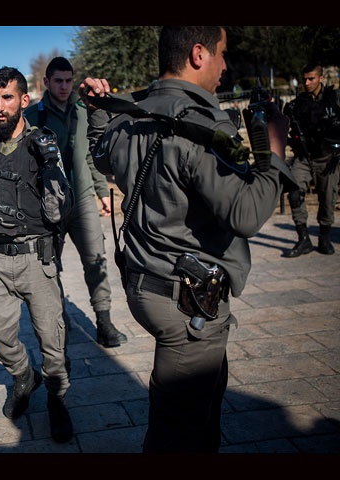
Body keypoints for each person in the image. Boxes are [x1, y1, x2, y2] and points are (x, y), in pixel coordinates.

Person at [79, 26, 296, 452]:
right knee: (176, 438)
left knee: (202, 408)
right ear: (199, 54)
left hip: (147, 287)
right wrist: (274, 151)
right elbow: (246, 214)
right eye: (222, 53)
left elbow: (101, 154)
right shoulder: (203, 125)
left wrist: (98, 110)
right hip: (187, 305)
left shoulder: (130, 114)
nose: (225, 65)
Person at [0, 67, 75, 443]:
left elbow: (58, 211)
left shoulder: (42, 142)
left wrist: (51, 164)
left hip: (36, 259)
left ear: (24, 100)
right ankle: (24, 376)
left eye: (7, 98)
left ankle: (57, 399)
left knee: (52, 340)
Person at [24, 57, 128, 347]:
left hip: (81, 200)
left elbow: (90, 157)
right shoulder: (33, 116)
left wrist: (100, 193)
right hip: (47, 206)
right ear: (46, 82)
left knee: (97, 259)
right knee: (49, 266)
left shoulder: (83, 112)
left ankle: (104, 323)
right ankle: (60, 319)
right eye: (58, 81)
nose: (64, 86)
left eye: (69, 80)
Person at [283, 64, 340, 257]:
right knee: (294, 190)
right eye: (305, 79)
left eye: (311, 79)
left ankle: (324, 237)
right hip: (304, 157)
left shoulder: (334, 99)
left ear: (321, 79)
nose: (307, 83)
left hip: (328, 157)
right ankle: (303, 238)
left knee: (327, 198)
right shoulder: (299, 103)